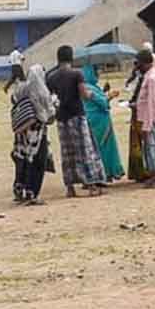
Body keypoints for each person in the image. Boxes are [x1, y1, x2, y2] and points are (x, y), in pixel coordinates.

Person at [46, 45, 107, 198]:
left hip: (62, 118)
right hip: (77, 116)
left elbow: (51, 99)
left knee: (67, 152)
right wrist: (96, 94)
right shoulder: (76, 74)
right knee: (85, 150)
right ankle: (92, 185)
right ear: (71, 58)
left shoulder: (51, 77)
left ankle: (70, 188)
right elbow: (84, 95)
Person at [11, 64, 55, 205]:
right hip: (36, 133)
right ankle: (32, 193)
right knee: (38, 163)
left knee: (22, 161)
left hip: (21, 134)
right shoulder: (42, 92)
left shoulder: (21, 89)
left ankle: (19, 189)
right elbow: (49, 117)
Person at [81, 64, 125, 182]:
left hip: (93, 120)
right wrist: (109, 96)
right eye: (96, 72)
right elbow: (102, 103)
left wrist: (105, 93)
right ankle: (106, 172)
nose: (98, 74)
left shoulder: (88, 86)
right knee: (103, 148)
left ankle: (104, 173)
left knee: (97, 148)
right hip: (99, 122)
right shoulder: (89, 88)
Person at [136, 49, 155, 188]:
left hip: (152, 119)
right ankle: (153, 175)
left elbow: (152, 103)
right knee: (150, 148)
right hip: (148, 118)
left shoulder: (152, 78)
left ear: (145, 63)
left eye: (139, 63)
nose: (138, 66)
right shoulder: (149, 75)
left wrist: (147, 125)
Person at [127, 60, 155, 183]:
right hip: (137, 115)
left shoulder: (148, 79)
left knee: (143, 145)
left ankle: (146, 171)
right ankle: (139, 172)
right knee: (137, 145)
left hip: (142, 116)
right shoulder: (139, 79)